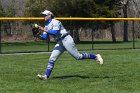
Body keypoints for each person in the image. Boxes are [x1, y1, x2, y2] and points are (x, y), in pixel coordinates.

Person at [36, 10, 103, 80]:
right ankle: (46, 76)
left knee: (78, 57)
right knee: (52, 58)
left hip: (66, 39)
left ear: (49, 15)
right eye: (43, 15)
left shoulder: (56, 22)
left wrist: (43, 30)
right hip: (59, 42)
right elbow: (44, 37)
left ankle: (95, 56)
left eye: (44, 15)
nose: (43, 17)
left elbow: (55, 32)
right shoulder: (46, 26)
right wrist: (37, 35)